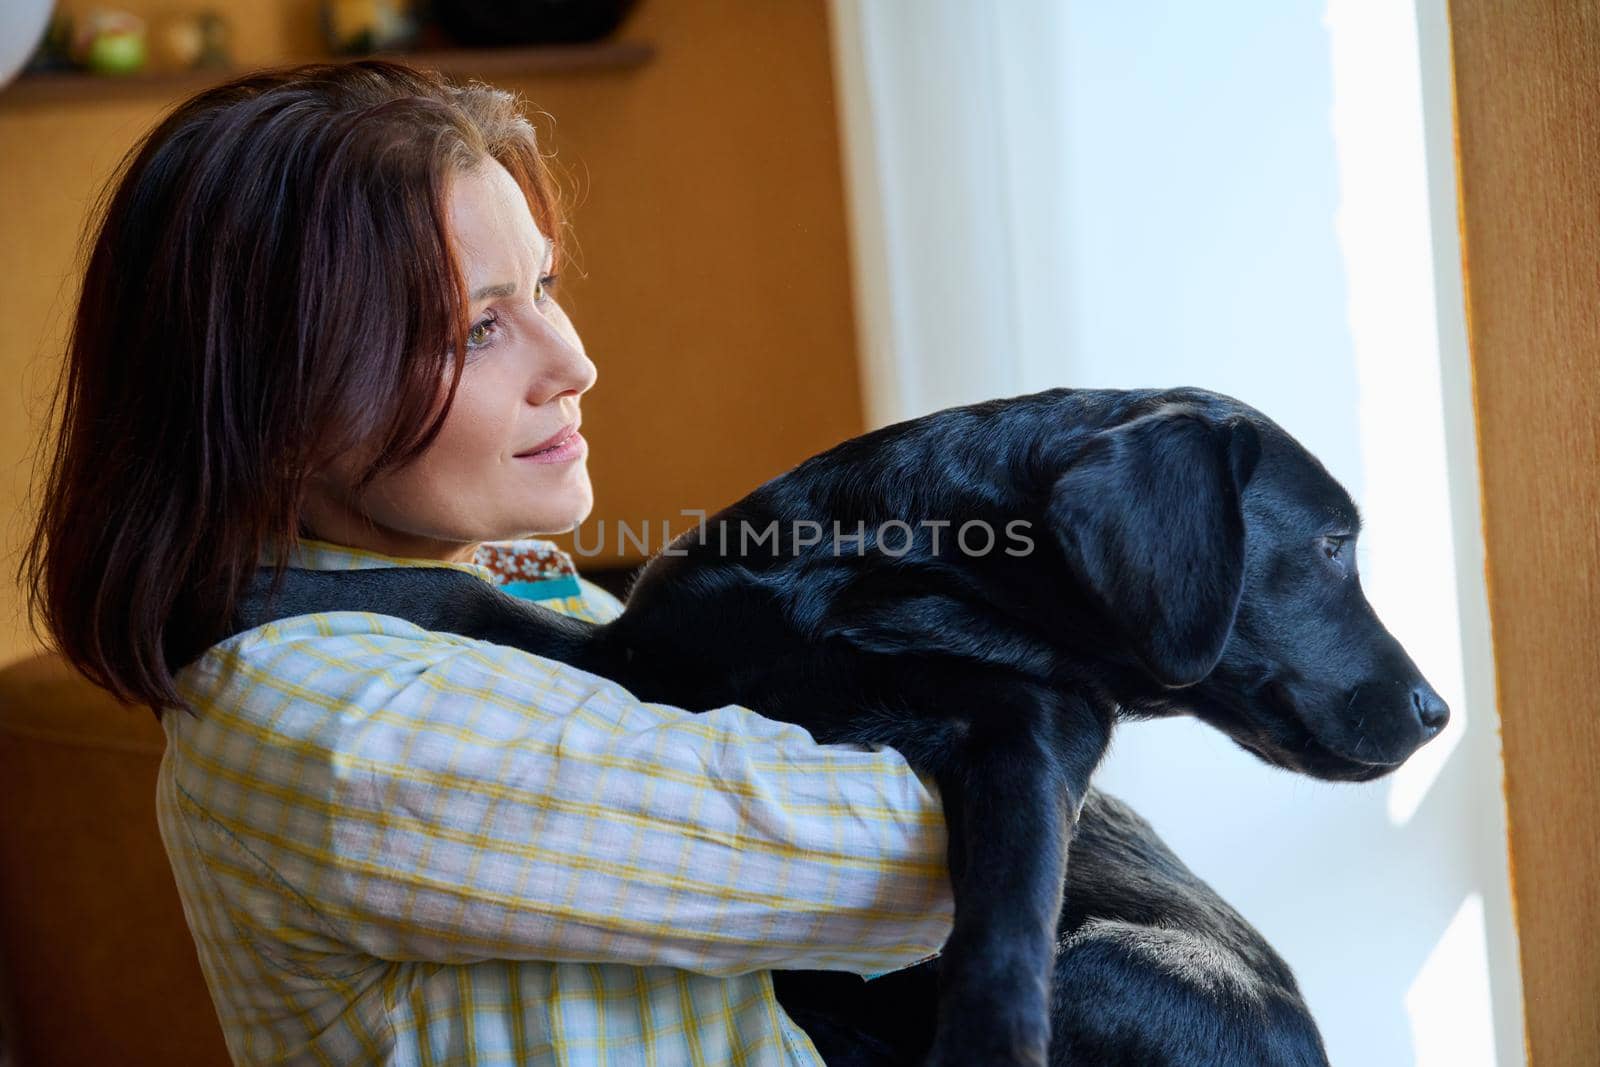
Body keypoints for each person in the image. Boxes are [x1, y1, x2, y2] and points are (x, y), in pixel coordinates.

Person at [21, 60, 954, 1065]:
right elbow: (899, 858)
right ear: (276, 405)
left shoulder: (508, 573)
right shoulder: (351, 721)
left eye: (544, 285)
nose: (574, 363)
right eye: (477, 328)